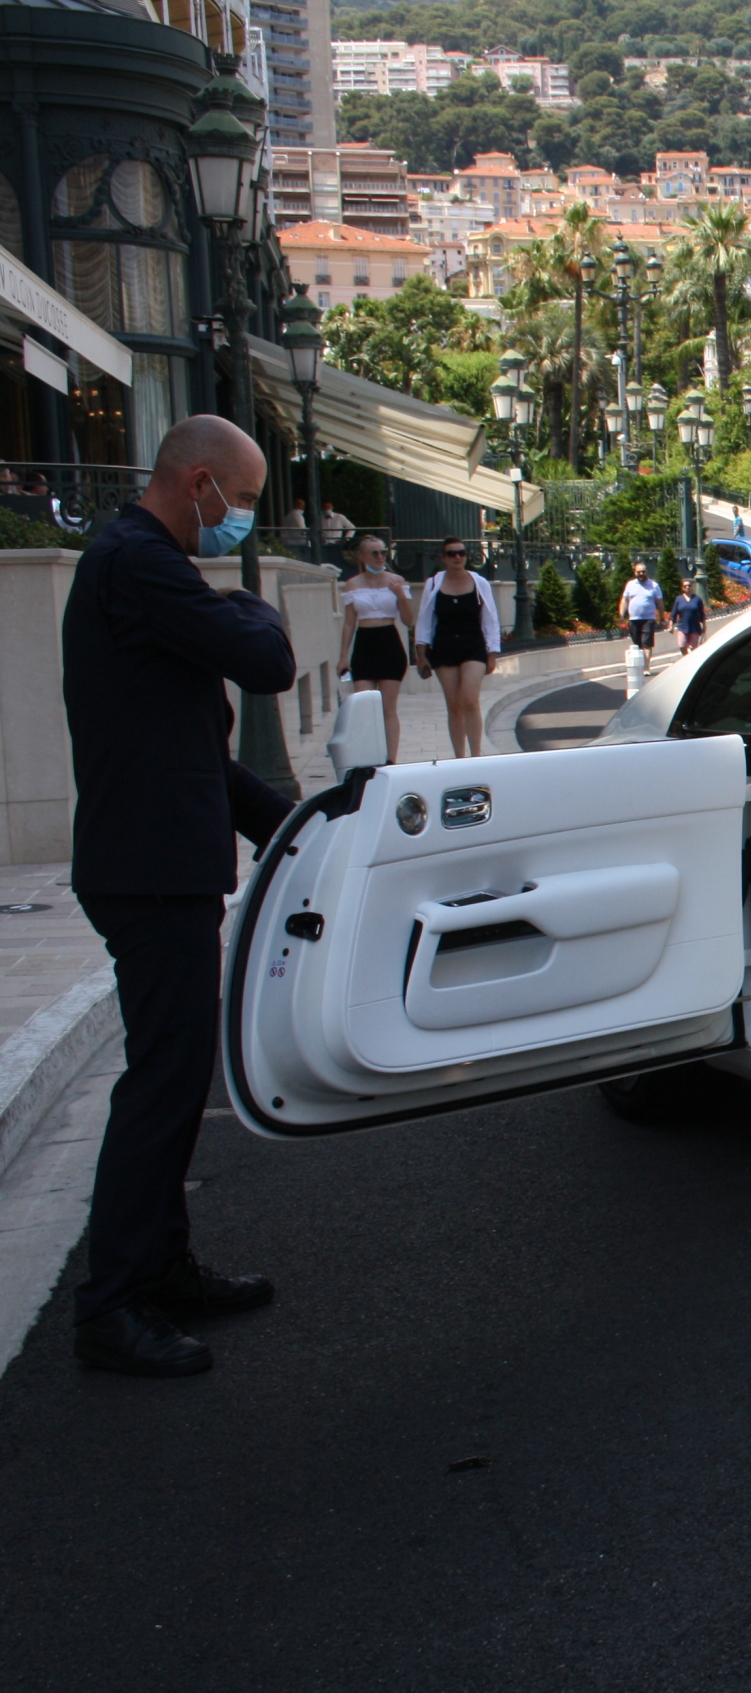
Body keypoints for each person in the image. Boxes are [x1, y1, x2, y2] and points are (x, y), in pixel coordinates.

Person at [59, 414, 295, 1378]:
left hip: (163, 864)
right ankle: (111, 1301)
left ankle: (161, 1266)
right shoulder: (140, 564)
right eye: (239, 501)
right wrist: (262, 616)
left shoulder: (147, 573)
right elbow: (272, 660)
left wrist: (296, 827)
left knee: (172, 1075)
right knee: (161, 1085)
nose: (239, 521)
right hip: (149, 872)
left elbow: (197, 751)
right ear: (196, 481)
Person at [415, 537, 501, 757]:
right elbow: (424, 619)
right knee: (454, 704)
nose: (457, 557)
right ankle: (459, 757)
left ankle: (476, 755)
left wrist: (492, 652)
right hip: (445, 646)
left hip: (473, 644)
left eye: (461, 553)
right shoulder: (433, 584)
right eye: (452, 554)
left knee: (470, 699)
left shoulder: (479, 582)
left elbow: (490, 618)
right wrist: (421, 652)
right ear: (443, 558)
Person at [335, 532, 416, 762]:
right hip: (364, 643)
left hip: (389, 641)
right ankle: (369, 756)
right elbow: (349, 622)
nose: (380, 557)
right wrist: (343, 656)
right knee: (365, 706)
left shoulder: (395, 580)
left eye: (383, 552)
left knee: (388, 707)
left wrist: (400, 595)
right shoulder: (353, 584)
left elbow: (409, 620)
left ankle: (391, 759)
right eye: (374, 553)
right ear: (362, 556)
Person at [619, 559, 664, 654]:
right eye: (638, 572)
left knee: (647, 644)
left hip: (649, 619)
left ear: (646, 572)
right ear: (635, 573)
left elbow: (660, 603)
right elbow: (624, 600)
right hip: (634, 619)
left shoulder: (654, 585)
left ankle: (646, 668)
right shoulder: (630, 584)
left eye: (643, 571)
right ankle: (640, 664)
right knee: (637, 644)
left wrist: (662, 617)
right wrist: (621, 614)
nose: (641, 574)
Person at [669, 575, 708, 654]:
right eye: (685, 586)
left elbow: (702, 614)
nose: (687, 587)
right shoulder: (679, 599)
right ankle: (686, 658)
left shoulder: (697, 599)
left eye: (689, 586)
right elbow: (674, 614)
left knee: (694, 648)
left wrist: (704, 625)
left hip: (694, 627)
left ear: (691, 587)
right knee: (682, 645)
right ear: (682, 588)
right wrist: (670, 625)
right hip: (683, 626)